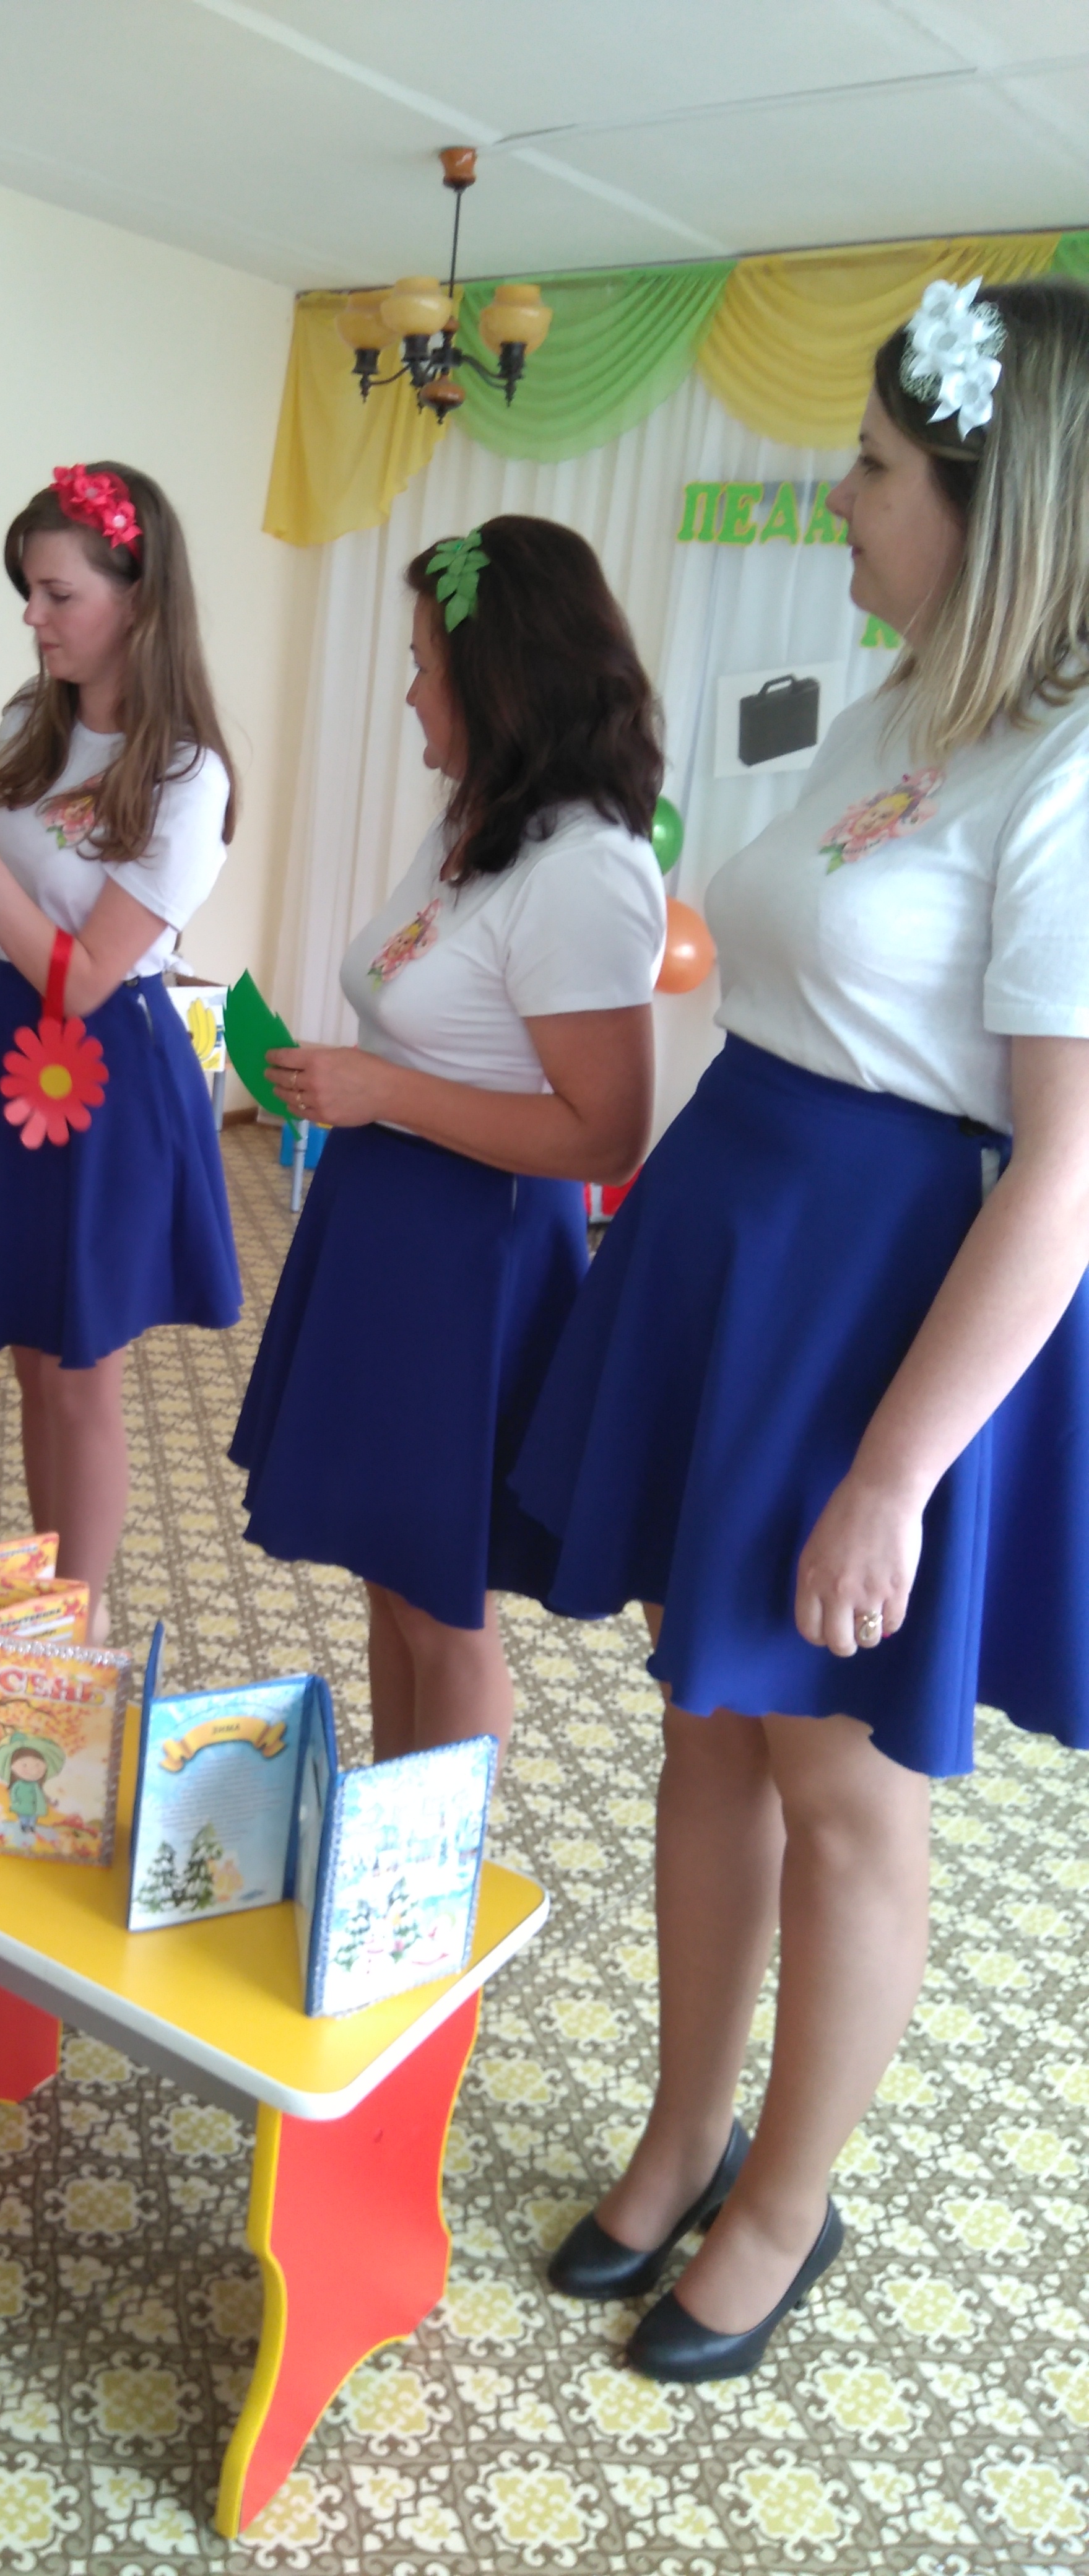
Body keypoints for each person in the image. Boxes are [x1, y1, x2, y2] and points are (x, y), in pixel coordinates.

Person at [518, 277, 1089, 2380]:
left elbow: (1068, 1173)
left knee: (843, 1786)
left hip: (873, 1306)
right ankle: (688, 2129)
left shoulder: (1074, 768)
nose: (836, 498)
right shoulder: (897, 709)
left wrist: (893, 1475)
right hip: (743, 1250)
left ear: (990, 503)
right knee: (709, 1723)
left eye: (870, 467)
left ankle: (787, 2198)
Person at [231, 518, 666, 1765]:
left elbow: (606, 1134)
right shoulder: (475, 825)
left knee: (441, 1598)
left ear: (499, 679)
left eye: (426, 664)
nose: (411, 691)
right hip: (384, 1218)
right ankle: (389, 1829)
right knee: (388, 1574)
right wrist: (351, 1080)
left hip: (472, 1250)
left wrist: (384, 1090)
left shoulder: (587, 867)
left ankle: (435, 1859)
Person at [0, 463, 241, 1642]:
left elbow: (88, 977)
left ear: (138, 599)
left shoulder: (187, 773)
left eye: (58, 595)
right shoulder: (28, 722)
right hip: (10, 1043)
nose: (33, 619)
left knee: (84, 1365)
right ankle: (50, 1607)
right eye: (28, 594)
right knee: (34, 1357)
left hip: (105, 1063)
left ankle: (74, 1631)